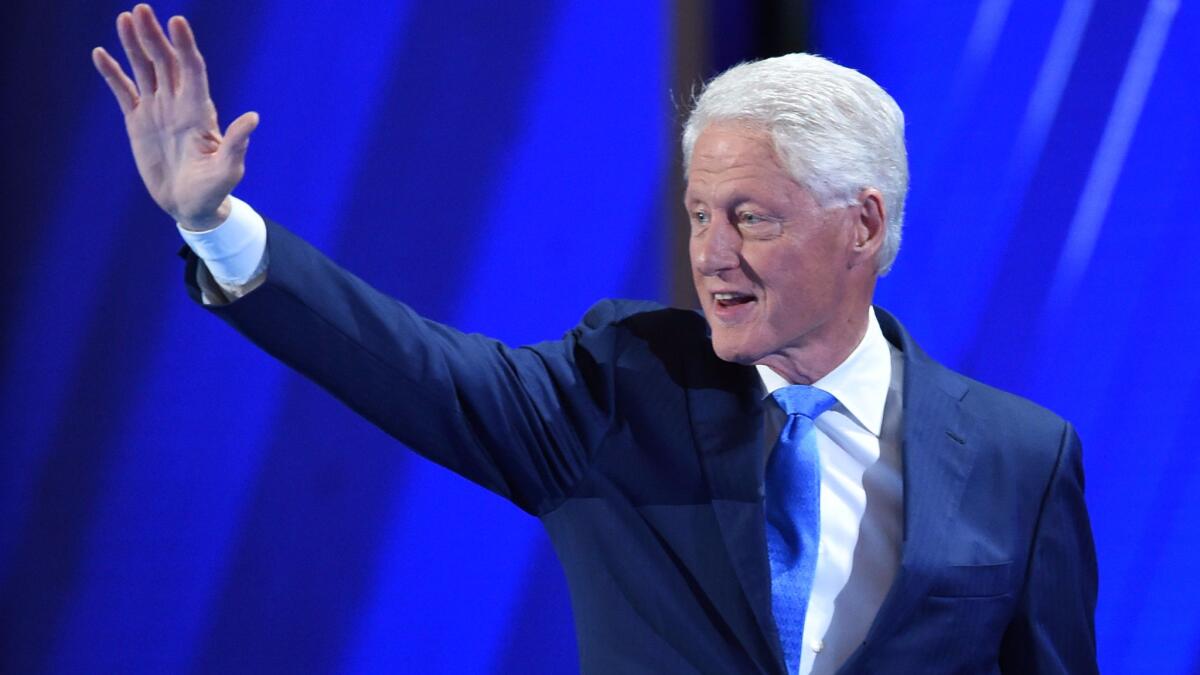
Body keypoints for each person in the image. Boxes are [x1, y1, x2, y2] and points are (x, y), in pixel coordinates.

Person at [93, 5, 1098, 673]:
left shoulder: (1022, 458)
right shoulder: (622, 392)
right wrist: (215, 225)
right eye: (699, 215)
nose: (710, 256)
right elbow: (413, 368)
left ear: (865, 226)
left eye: (751, 217)